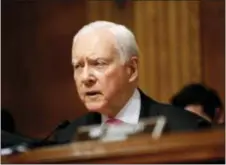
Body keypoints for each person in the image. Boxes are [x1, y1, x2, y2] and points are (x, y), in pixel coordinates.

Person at [55, 21, 210, 143]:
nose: (85, 77)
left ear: (131, 69)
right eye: (78, 66)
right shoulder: (64, 139)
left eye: (99, 63)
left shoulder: (186, 130)